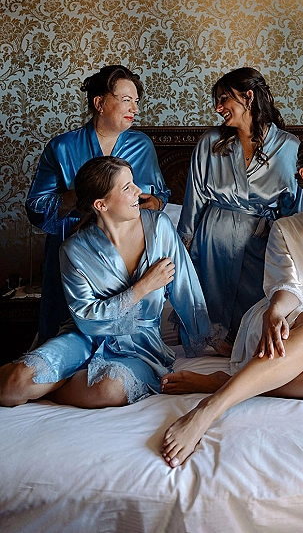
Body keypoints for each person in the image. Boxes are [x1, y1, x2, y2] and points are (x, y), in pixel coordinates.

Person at [160, 135, 303, 467]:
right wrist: (274, 312)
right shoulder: (285, 227)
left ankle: (227, 383)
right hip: (282, 323)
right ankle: (210, 408)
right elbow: (284, 283)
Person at [0, 156, 209, 408]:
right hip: (82, 337)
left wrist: (206, 338)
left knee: (109, 389)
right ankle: (36, 382)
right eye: (127, 187)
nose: (138, 192)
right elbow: (85, 317)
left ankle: (46, 390)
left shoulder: (160, 227)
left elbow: (187, 288)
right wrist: (142, 287)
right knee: (12, 387)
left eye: (133, 183)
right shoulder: (73, 250)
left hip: (140, 346)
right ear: (101, 204)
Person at [26, 65, 170, 342]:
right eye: (126, 100)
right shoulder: (62, 148)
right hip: (73, 246)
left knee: (119, 328)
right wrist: (81, 195)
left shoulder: (142, 145)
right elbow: (37, 207)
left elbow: (160, 193)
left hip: (125, 251)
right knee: (64, 330)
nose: (135, 109)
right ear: (100, 103)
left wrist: (157, 203)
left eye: (137, 102)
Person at [177, 67, 303, 350]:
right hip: (212, 243)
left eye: (224, 99)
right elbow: (194, 199)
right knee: (211, 315)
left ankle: (246, 350)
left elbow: (295, 212)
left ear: (248, 97)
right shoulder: (211, 143)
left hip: (261, 245)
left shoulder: (289, 148)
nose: (218, 107)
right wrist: (182, 249)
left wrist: (291, 258)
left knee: (251, 320)